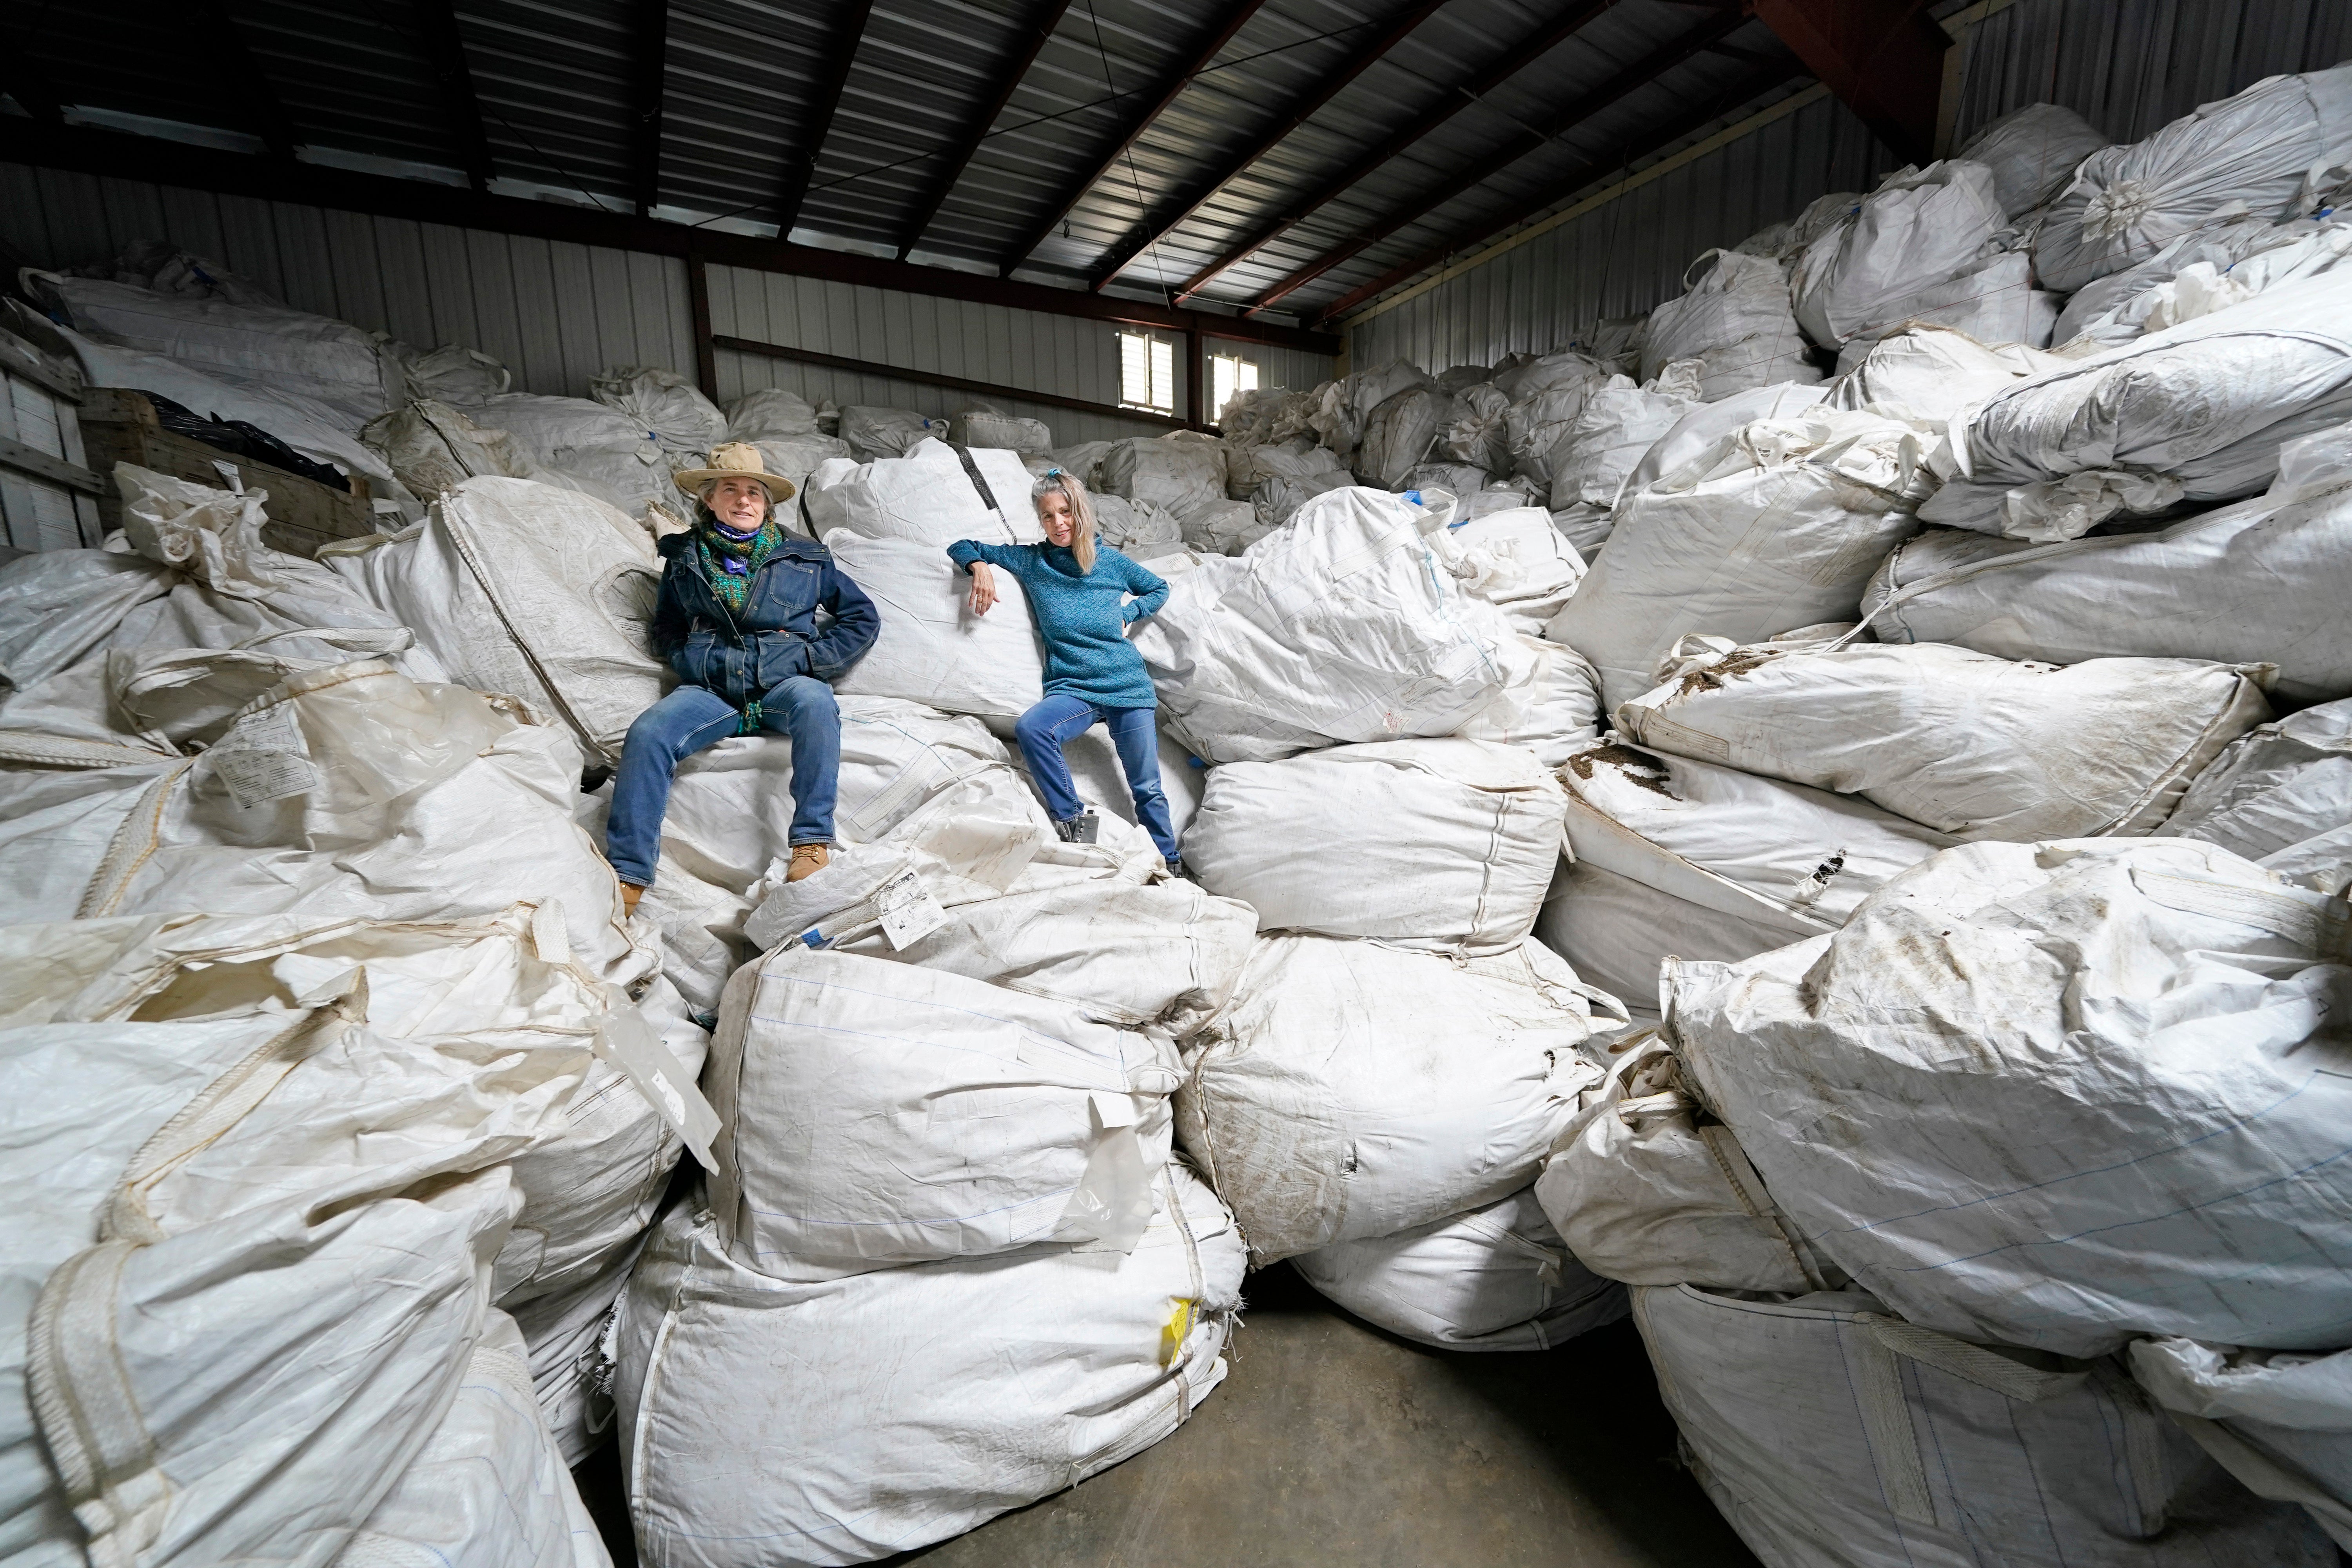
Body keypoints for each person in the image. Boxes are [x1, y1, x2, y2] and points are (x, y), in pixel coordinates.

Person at [606, 442, 878, 911]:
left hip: (783, 685)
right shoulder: (686, 558)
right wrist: (687, 657)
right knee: (649, 732)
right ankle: (628, 875)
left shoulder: (806, 558)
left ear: (767, 503)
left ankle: (811, 843)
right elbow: (666, 625)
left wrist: (812, 663)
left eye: (754, 491)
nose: (743, 500)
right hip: (712, 690)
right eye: (729, 490)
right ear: (708, 500)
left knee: (816, 704)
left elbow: (861, 617)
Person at [947, 469, 1181, 871]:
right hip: (1074, 688)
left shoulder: (1110, 562)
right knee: (1033, 728)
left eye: (1065, 512)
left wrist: (1131, 611)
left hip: (1126, 685)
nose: (1059, 524)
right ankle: (1075, 825)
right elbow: (962, 545)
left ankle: (1171, 864)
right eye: (1048, 516)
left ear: (1081, 512)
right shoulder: (1033, 561)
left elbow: (1158, 588)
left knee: (1148, 788)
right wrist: (980, 568)